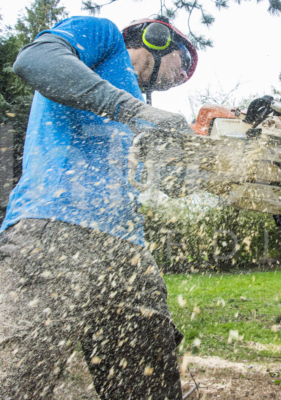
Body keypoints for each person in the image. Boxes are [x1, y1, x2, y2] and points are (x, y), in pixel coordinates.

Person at [0, 15, 198, 399]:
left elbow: (173, 183)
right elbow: (34, 60)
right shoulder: (102, 36)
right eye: (183, 63)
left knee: (149, 389)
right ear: (158, 39)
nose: (182, 76)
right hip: (53, 233)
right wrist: (132, 111)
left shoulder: (141, 110)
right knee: (16, 382)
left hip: (129, 256)